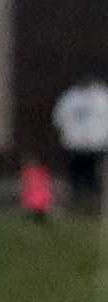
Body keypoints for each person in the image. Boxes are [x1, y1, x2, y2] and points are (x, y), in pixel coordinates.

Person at [52, 73, 108, 208]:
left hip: (97, 145)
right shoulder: (70, 97)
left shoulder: (102, 96)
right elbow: (59, 118)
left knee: (94, 175)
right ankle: (77, 200)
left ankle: (94, 201)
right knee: (76, 174)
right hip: (75, 145)